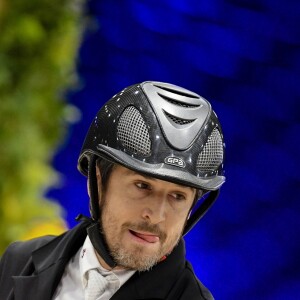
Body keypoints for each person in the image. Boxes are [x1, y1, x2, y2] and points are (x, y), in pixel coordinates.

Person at [0, 81, 226, 300]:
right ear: (97, 181)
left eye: (178, 196)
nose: (156, 216)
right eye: (142, 186)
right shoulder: (17, 261)